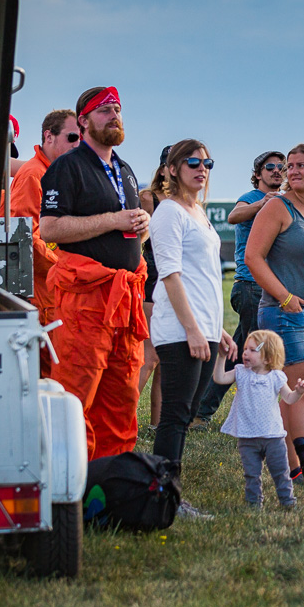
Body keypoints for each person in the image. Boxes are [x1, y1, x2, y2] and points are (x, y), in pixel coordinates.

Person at [41, 86, 150, 460]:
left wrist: (140, 225)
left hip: (124, 301)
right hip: (86, 300)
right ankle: (70, 481)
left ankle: (114, 483)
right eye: (104, 110)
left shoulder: (126, 169)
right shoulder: (66, 167)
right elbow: (50, 230)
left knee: (122, 395)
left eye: (118, 108)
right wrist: (112, 221)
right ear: (84, 120)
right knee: (75, 394)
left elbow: (123, 228)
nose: (114, 115)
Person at [149, 139, 237, 519]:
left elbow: (206, 277)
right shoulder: (169, 212)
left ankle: (165, 492)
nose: (202, 169)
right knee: (175, 415)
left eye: (207, 163)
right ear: (171, 169)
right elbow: (170, 275)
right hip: (180, 330)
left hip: (204, 328)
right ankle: (164, 498)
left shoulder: (197, 211)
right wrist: (193, 330)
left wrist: (218, 330)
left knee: (184, 416)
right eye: (192, 162)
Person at [246, 143, 304, 491]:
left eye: (302, 165)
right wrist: (285, 298)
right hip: (289, 313)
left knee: (295, 392)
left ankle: (292, 468)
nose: (293, 171)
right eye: (290, 166)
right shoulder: (277, 207)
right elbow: (253, 257)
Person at [192, 150, 286, 429]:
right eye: (270, 167)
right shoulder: (251, 198)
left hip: (274, 287)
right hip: (250, 286)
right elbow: (234, 216)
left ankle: (201, 411)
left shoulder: (284, 201)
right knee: (257, 351)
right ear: (258, 174)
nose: (277, 171)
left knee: (238, 350)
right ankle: (243, 415)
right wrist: (263, 204)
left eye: (281, 167)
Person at [8, 108, 78, 377]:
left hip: (58, 291)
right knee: (50, 375)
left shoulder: (58, 174)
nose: (78, 144)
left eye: (81, 137)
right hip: (43, 295)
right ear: (49, 136)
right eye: (72, 137)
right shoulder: (33, 175)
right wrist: (66, 267)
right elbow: (24, 238)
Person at [213, 330, 304, 510]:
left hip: (273, 436)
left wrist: (298, 392)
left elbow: (289, 398)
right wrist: (221, 358)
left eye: (251, 350)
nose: (245, 353)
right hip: (247, 437)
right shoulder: (240, 372)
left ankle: (287, 501)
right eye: (245, 349)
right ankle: (253, 503)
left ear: (267, 358)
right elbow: (219, 378)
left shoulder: (276, 377)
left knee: (281, 472)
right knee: (251, 473)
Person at [137, 147, 170, 431]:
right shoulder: (148, 197)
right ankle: (123, 416)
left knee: (165, 361)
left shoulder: (189, 203)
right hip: (152, 279)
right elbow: (137, 237)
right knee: (149, 357)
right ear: (162, 169)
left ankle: (157, 424)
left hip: (176, 282)